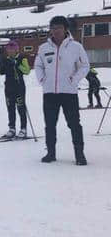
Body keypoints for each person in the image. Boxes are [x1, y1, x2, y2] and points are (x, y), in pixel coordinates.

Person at [35, 15, 89, 165]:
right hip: (50, 93)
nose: (56, 31)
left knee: (74, 124)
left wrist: (74, 79)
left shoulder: (75, 46)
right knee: (50, 124)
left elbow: (85, 66)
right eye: (53, 28)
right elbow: (38, 66)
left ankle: (79, 155)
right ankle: (50, 154)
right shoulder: (43, 48)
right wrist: (42, 80)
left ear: (65, 29)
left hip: (69, 93)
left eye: (59, 27)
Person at [0, 41, 30, 138]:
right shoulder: (6, 59)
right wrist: (1, 65)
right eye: (8, 49)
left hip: (19, 87)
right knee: (10, 108)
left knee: (21, 108)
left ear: (16, 49)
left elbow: (27, 71)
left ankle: (23, 129)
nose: (10, 51)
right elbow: (1, 72)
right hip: (8, 87)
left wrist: (17, 64)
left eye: (12, 49)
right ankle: (12, 128)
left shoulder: (21, 58)